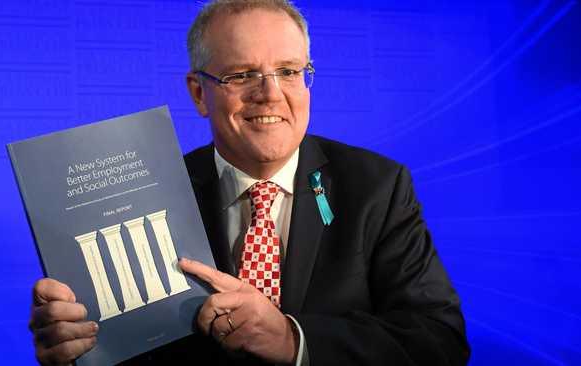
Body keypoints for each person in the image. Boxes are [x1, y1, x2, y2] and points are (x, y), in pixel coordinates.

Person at [29, 1, 471, 365]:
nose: (270, 92)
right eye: (241, 75)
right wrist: (77, 353)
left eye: (289, 71)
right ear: (199, 93)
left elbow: (439, 340)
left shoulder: (377, 186)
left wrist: (291, 339)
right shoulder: (144, 195)